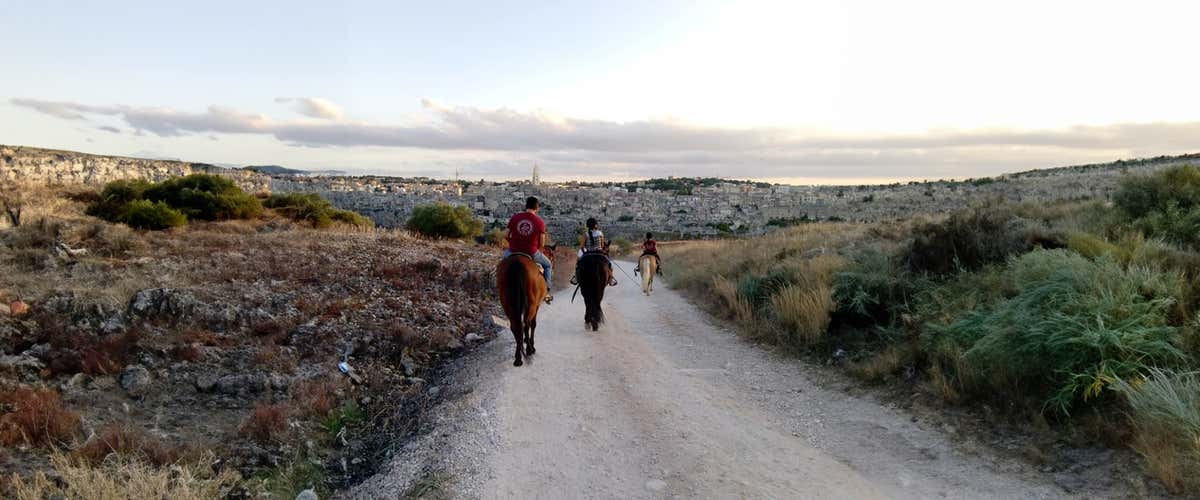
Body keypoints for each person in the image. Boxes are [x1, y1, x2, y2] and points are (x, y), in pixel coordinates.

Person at [504, 196, 553, 304]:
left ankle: (499, 285)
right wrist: (538, 251)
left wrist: (513, 243)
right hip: (531, 252)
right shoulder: (540, 222)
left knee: (503, 264)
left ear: (526, 206)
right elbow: (542, 243)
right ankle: (547, 291)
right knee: (548, 265)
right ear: (537, 208)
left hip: (513, 251)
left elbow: (506, 235)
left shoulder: (515, 217)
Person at [571, 217, 616, 286]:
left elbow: (582, 247)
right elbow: (602, 245)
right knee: (609, 265)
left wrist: (585, 253)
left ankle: (576, 278)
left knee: (578, 264)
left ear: (587, 226)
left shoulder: (585, 234)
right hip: (599, 253)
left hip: (588, 253)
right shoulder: (600, 233)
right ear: (596, 225)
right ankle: (611, 279)